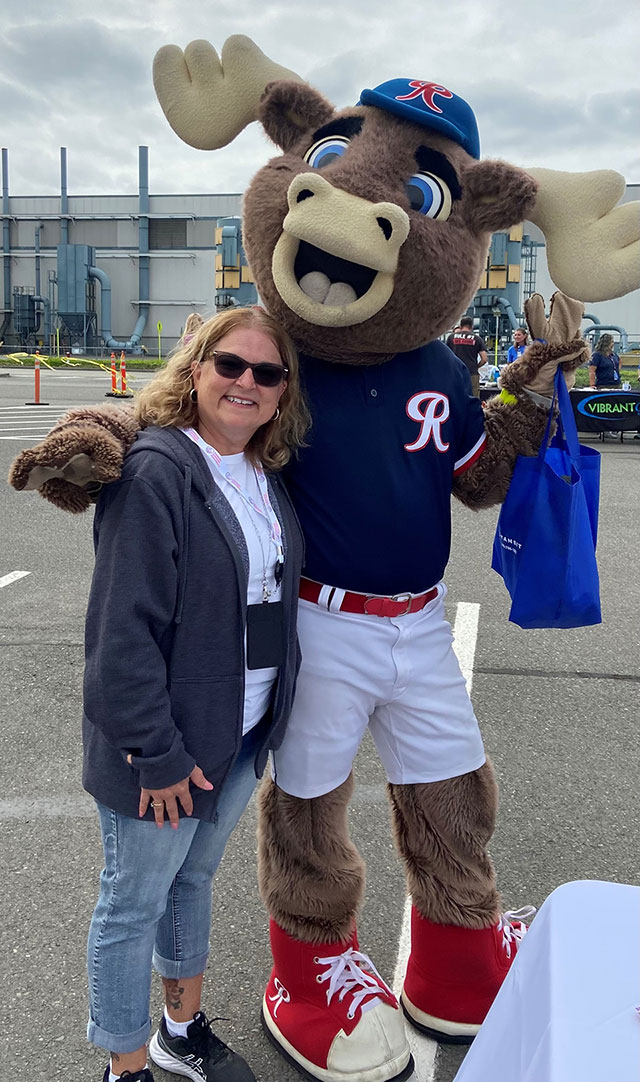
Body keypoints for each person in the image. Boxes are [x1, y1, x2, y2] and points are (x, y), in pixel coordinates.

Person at [82, 306, 308, 1082]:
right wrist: (156, 754)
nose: (246, 383)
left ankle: (181, 1031)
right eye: (230, 365)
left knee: (192, 881)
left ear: (283, 393)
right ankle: (124, 1065)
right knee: (131, 904)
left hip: (238, 737)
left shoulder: (262, 472)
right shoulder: (155, 471)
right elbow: (121, 638)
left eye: (266, 373)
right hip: (166, 749)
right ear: (196, 368)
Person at [446, 316, 488, 395]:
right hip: (471, 372)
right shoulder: (477, 339)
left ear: (461, 326)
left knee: (455, 395)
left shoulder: (451, 337)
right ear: (471, 327)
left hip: (455, 371)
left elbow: (446, 355)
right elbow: (484, 359)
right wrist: (476, 366)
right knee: (473, 395)